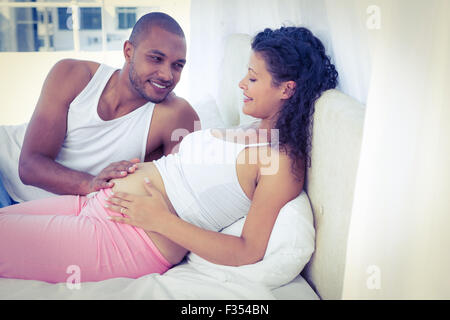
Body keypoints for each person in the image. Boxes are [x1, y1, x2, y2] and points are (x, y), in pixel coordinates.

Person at [0, 26, 338, 283]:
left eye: (252, 78)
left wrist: (160, 221)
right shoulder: (248, 131)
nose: (241, 85)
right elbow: (187, 175)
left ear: (286, 89)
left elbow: (248, 251)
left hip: (133, 238)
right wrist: (138, 170)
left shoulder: (280, 163)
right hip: (99, 202)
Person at [0, 12, 199, 208]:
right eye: (156, 58)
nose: (167, 75)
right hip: (4, 169)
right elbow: (29, 166)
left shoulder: (178, 116)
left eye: (178, 65)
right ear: (128, 51)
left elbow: (185, 192)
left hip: (36, 210)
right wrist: (91, 183)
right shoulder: (73, 74)